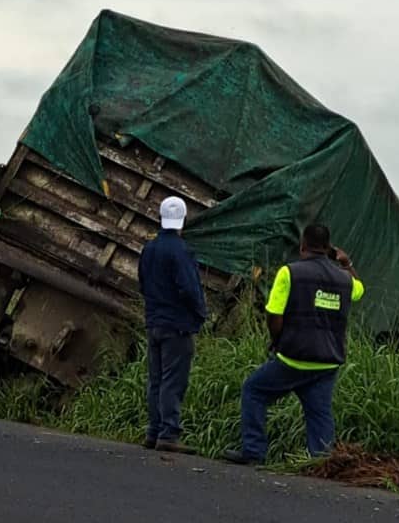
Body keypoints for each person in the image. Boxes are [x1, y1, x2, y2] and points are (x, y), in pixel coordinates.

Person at [223, 224, 364, 465]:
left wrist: (277, 341)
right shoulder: (344, 280)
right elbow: (359, 291)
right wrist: (346, 263)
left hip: (293, 357)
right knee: (319, 413)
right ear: (329, 248)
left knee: (253, 390)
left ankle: (254, 451)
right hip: (327, 362)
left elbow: (274, 314)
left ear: (302, 246)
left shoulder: (290, 273)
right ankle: (321, 463)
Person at [138, 195, 207, 453]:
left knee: (156, 380)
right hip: (177, 324)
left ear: (160, 218)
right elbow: (190, 288)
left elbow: (143, 283)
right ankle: (168, 434)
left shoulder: (149, 249)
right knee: (172, 381)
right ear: (184, 220)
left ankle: (153, 432)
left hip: (154, 321)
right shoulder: (182, 251)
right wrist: (200, 313)